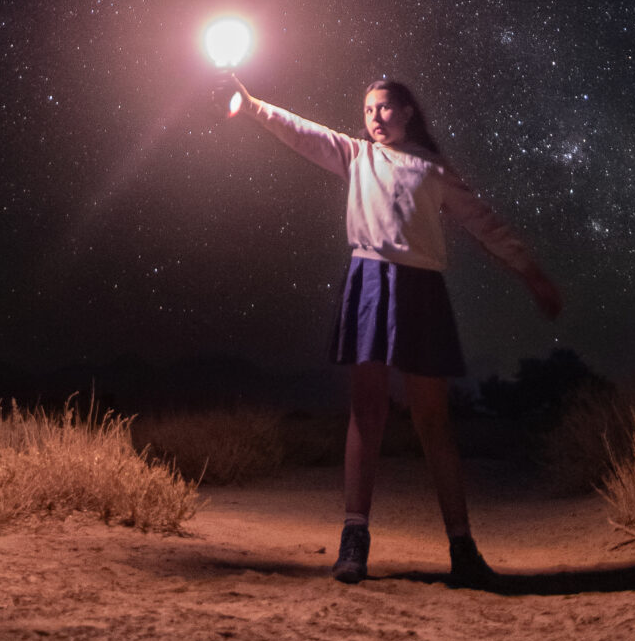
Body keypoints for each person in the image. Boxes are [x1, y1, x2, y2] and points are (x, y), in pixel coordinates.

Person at [226, 73, 562, 590]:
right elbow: (304, 132)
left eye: (384, 108)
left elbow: (484, 222)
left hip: (422, 287)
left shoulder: (433, 168)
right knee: (368, 409)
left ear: (407, 112)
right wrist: (253, 107)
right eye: (367, 111)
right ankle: (354, 540)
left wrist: (531, 272)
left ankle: (462, 546)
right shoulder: (356, 156)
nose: (374, 118)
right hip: (369, 280)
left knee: (432, 418)